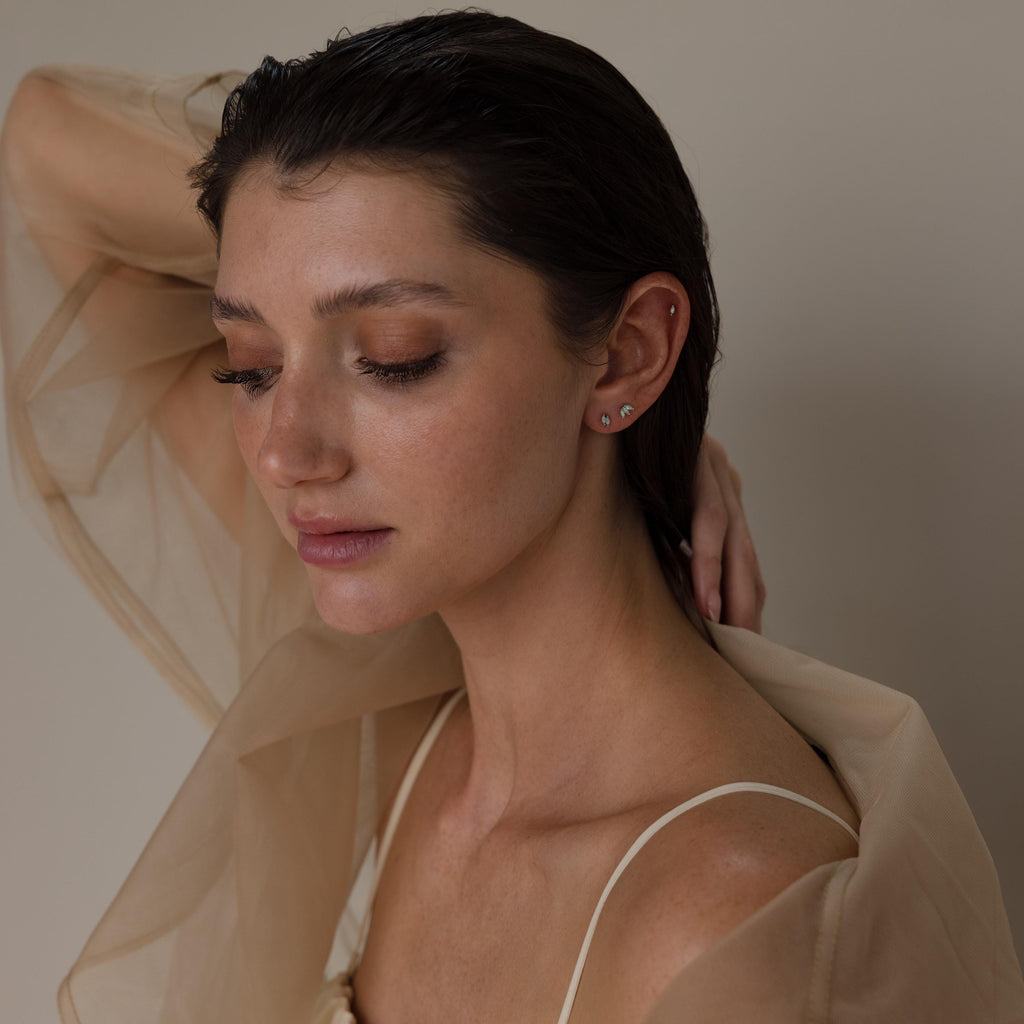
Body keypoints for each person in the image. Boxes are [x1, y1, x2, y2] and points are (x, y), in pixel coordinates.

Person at [0, 11, 1021, 1024]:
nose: (284, 452)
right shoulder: (401, 711)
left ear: (627, 350)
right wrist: (639, 424)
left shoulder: (729, 911)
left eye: (393, 355)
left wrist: (634, 414)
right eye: (253, 366)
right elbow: (44, 136)